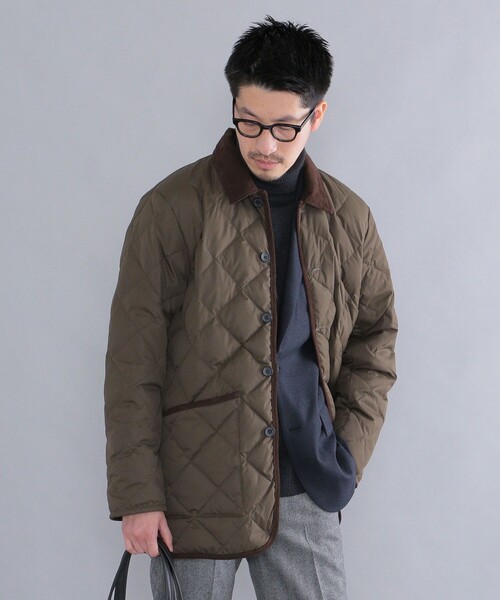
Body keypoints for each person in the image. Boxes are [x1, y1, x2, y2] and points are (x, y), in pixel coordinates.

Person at [104, 16, 397, 600]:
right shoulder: (171, 209)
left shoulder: (350, 219)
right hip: (193, 492)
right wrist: (138, 495)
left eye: (285, 127)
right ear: (233, 105)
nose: (264, 144)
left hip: (308, 483)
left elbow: (375, 342)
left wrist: (345, 453)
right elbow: (134, 363)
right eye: (249, 122)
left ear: (317, 116)